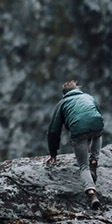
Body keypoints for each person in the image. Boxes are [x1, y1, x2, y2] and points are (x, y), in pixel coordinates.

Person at [45, 79, 105, 209]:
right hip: (97, 126)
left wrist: (53, 153)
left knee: (83, 166)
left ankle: (91, 194)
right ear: (77, 89)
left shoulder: (62, 103)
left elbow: (53, 131)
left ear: (64, 94)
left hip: (79, 132)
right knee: (97, 133)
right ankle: (94, 160)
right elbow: (96, 114)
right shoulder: (89, 97)